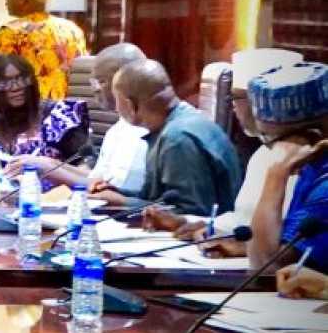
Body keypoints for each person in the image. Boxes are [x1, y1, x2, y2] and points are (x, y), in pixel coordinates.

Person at [150, 47, 303, 244]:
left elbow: (290, 240)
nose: (232, 105)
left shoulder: (305, 159)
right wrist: (188, 222)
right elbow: (242, 221)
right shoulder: (262, 154)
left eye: (237, 97)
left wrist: (242, 247)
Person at [112, 58, 242, 218]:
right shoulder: (178, 122)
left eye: (116, 100)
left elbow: (189, 214)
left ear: (131, 105)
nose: (116, 109)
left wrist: (122, 202)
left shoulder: (177, 139)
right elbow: (156, 198)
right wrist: (116, 194)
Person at [26, 43, 148, 202]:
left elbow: (111, 191)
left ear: (125, 81)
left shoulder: (143, 131)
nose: (95, 89)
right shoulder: (118, 128)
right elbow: (96, 178)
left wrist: (47, 168)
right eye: (93, 82)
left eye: (101, 81)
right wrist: (47, 163)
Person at [242, 61, 328, 270]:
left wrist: (276, 173)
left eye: (268, 138)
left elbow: (267, 268)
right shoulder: (313, 168)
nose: (268, 149)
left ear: (312, 136)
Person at [0, 53, 90, 167]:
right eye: (5, 82)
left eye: (22, 79)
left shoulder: (60, 117)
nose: (16, 88)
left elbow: (86, 167)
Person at [0, 0, 89, 100]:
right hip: (66, 111)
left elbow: (0, 85)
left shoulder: (10, 33)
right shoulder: (73, 30)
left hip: (28, 112)